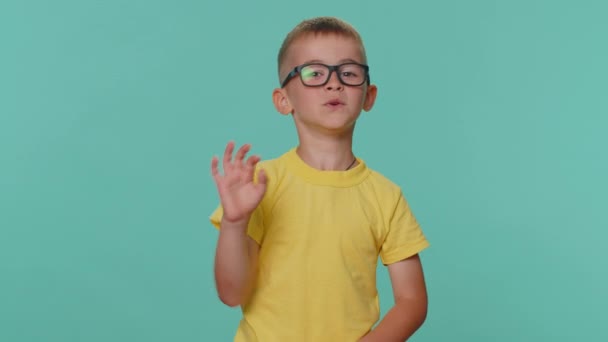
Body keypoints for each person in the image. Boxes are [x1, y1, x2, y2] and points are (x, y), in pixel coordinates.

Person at [209, 16, 430, 342]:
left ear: (368, 96)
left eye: (349, 73)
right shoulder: (260, 184)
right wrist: (234, 222)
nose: (333, 83)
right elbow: (231, 294)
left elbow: (412, 301)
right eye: (314, 73)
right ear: (283, 100)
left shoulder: (386, 197)